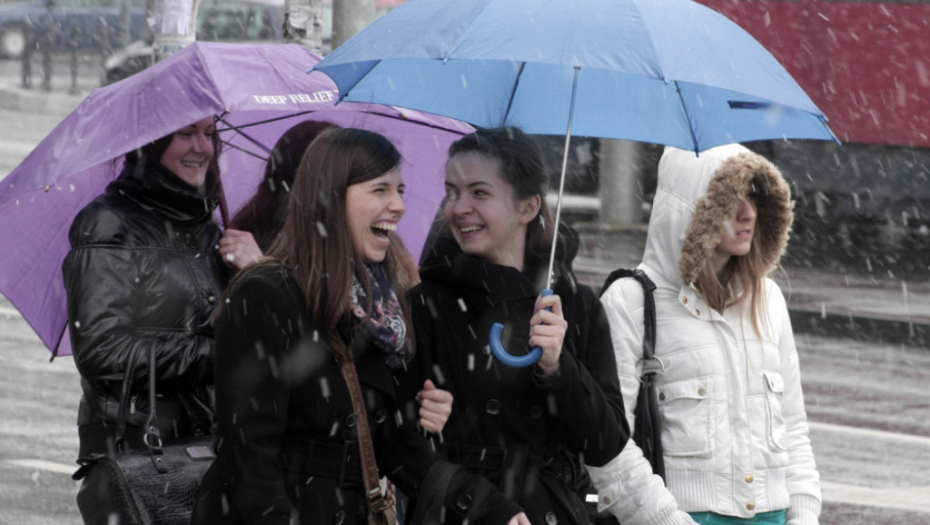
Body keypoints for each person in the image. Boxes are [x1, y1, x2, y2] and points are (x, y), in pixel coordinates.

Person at [190, 127, 525, 525]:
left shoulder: (376, 310)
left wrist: (487, 507)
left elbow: (390, 443)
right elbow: (249, 460)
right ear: (330, 198)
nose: (399, 206)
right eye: (380, 190)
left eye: (400, 190)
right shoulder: (265, 294)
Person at [589, 144, 821, 525]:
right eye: (729, 200)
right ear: (692, 210)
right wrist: (667, 519)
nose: (748, 213)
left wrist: (804, 516)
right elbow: (609, 443)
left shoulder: (769, 300)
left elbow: (793, 426)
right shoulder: (630, 302)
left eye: (752, 195)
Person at [408, 126, 629, 525]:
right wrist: (481, 503)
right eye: (452, 192)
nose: (459, 208)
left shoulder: (575, 305)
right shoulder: (426, 304)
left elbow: (605, 444)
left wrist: (557, 367)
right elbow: (396, 443)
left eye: (479, 193)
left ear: (528, 208)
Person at [63, 116, 259, 461]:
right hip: (138, 445)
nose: (203, 147)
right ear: (151, 143)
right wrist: (221, 354)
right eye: (186, 133)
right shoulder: (109, 224)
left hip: (206, 442)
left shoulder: (209, 230)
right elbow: (103, 352)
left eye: (209, 133)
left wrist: (257, 275)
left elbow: (241, 332)